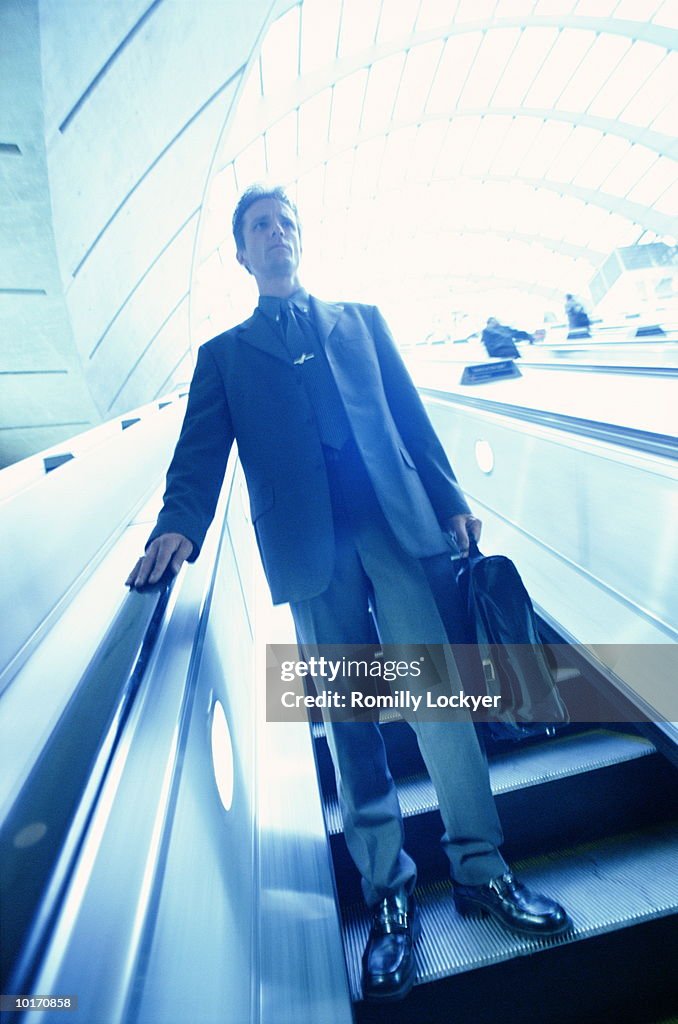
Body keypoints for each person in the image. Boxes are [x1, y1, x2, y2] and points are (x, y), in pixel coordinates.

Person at [126, 184, 570, 1002]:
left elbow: (410, 416)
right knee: (352, 722)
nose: (277, 234)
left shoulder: (361, 320)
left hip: (394, 534)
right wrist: (177, 524)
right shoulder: (224, 355)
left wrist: (452, 500)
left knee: (440, 703)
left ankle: (482, 869)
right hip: (310, 556)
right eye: (261, 226)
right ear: (242, 251)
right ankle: (389, 896)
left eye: (287, 222)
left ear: (302, 238)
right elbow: (198, 456)